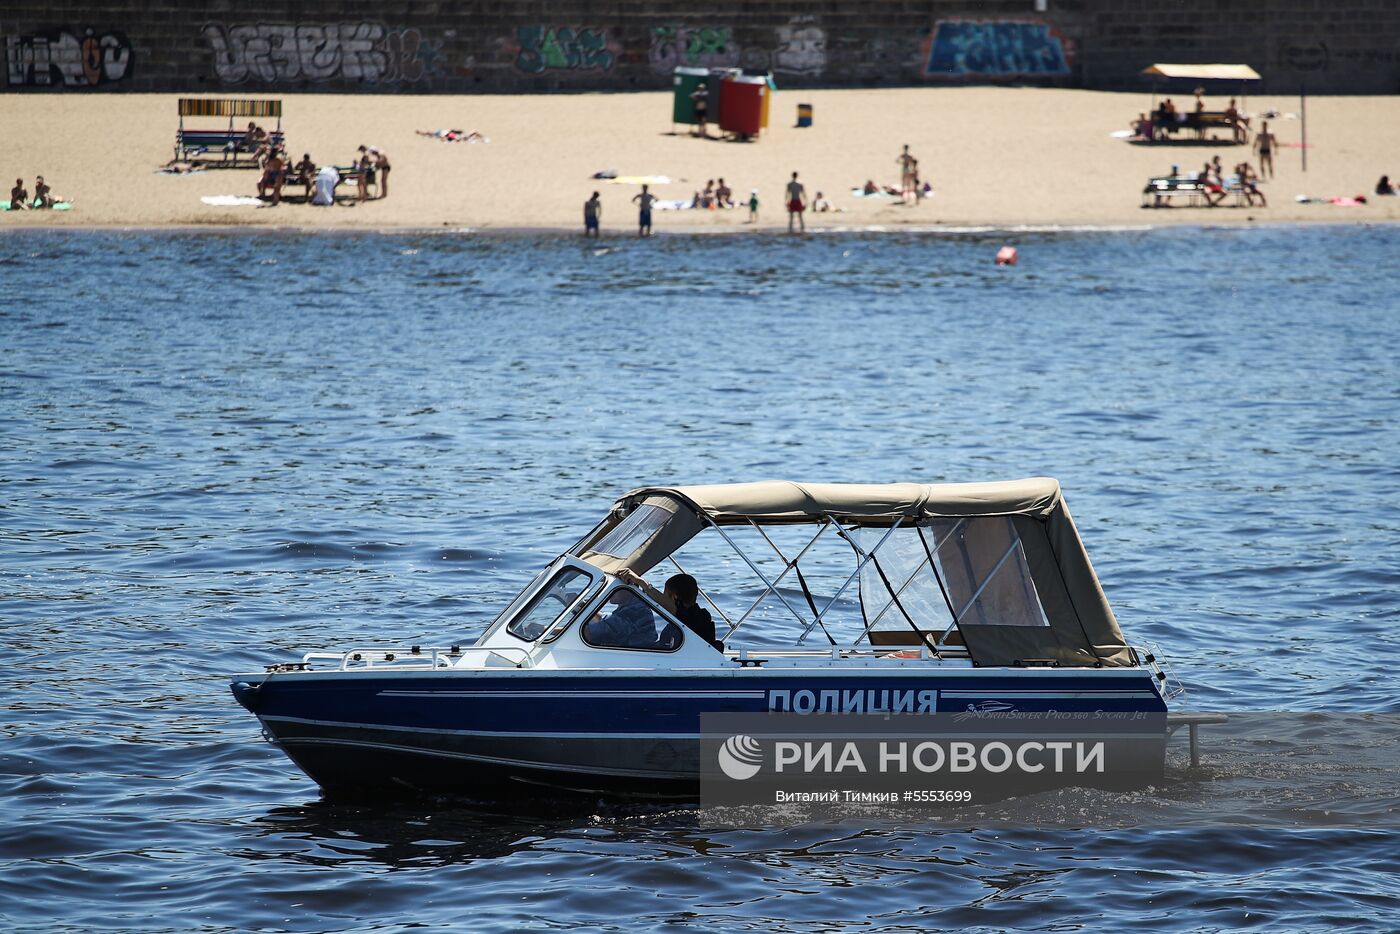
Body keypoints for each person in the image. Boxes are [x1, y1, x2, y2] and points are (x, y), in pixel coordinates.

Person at [618, 569, 723, 652]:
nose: (661, 599)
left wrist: (640, 581)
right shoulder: (688, 618)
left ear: (674, 597)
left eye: (664, 595)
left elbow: (672, 608)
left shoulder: (692, 618)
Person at [582, 587, 657, 649]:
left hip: (634, 658)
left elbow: (588, 633)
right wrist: (584, 607)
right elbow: (608, 620)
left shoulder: (634, 611)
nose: (608, 591)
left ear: (628, 589)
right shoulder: (633, 606)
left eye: (613, 587)